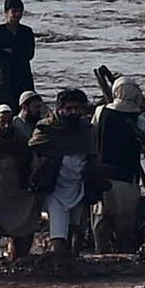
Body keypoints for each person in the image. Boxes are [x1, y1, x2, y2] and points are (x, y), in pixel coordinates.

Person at [29, 88, 101, 262]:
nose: (73, 112)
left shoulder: (86, 129)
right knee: (58, 234)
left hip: (78, 185)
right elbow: (33, 148)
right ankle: (60, 265)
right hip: (55, 187)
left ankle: (72, 261)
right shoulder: (47, 128)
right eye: (68, 109)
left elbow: (92, 154)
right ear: (59, 109)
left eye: (77, 108)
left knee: (76, 228)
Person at [91, 77, 145, 253]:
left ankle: (101, 252)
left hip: (103, 177)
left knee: (101, 220)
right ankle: (121, 252)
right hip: (127, 178)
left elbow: (92, 139)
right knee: (125, 222)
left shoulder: (101, 112)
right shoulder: (139, 119)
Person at [0, 104, 37, 262]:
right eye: (3, 121)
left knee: (23, 217)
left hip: (13, 184)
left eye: (9, 121)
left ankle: (17, 253)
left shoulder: (19, 138)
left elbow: (27, 158)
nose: (7, 125)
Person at [0, 0, 35, 97]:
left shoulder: (26, 31)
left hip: (23, 72)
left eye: (20, 11)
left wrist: (10, 51)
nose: (17, 15)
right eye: (14, 11)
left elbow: (30, 54)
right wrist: (15, 52)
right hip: (4, 73)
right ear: (6, 12)